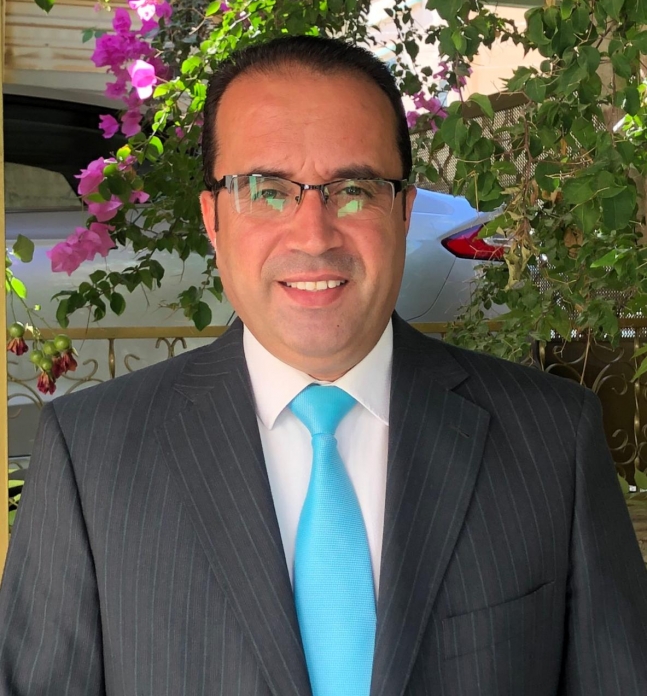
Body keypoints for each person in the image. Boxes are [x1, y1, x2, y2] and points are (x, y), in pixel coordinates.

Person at [1, 34, 646, 696]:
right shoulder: (91, 455)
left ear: (403, 211)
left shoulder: (551, 439)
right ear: (213, 219)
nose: (314, 235)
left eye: (354, 188)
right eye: (266, 189)